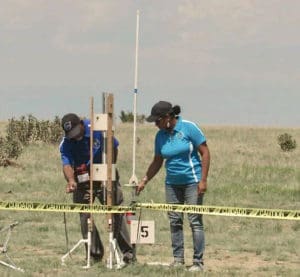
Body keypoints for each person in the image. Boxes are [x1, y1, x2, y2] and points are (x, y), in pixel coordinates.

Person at [136, 101, 210, 272]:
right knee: (175, 221)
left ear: (168, 118)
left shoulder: (189, 128)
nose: (155, 125)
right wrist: (145, 180)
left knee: (194, 221)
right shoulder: (160, 136)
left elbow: (205, 152)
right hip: (172, 184)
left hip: (193, 181)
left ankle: (198, 262)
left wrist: (203, 180)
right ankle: (178, 260)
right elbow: (157, 161)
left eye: (157, 121)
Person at [59, 113, 134, 264]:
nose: (73, 136)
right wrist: (71, 180)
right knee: (84, 215)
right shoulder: (66, 142)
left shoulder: (97, 129)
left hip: (105, 175)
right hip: (83, 179)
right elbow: (66, 164)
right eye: (70, 134)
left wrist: (109, 169)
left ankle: (128, 254)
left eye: (74, 131)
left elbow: (114, 147)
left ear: (81, 124)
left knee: (116, 212)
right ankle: (94, 254)